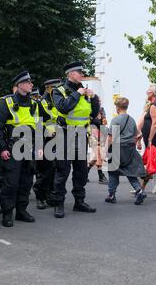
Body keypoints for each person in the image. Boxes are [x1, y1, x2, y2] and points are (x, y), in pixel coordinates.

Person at [51, 61, 100, 219]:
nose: (82, 75)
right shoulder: (58, 91)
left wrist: (93, 98)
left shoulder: (84, 91)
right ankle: (58, 203)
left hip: (80, 135)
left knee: (81, 171)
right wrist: (78, 93)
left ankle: (79, 201)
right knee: (62, 171)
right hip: (65, 135)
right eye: (79, 72)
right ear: (71, 74)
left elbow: (93, 113)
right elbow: (63, 108)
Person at [0, 71, 38, 227]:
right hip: (13, 147)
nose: (32, 85)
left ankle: (21, 211)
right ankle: (7, 213)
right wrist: (2, 148)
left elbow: (37, 126)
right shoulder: (6, 102)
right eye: (29, 82)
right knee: (10, 183)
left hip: (29, 147)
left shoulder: (34, 103)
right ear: (20, 85)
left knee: (26, 182)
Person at [105, 97, 145, 204]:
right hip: (130, 149)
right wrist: (137, 142)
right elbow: (138, 134)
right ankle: (139, 190)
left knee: (113, 172)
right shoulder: (131, 119)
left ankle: (111, 195)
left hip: (117, 148)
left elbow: (111, 137)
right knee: (130, 172)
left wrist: (106, 151)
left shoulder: (116, 120)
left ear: (117, 107)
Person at [33, 79, 61, 210]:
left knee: (55, 169)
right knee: (45, 170)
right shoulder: (40, 103)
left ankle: (50, 195)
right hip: (45, 140)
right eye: (55, 87)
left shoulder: (57, 101)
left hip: (57, 140)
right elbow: (38, 124)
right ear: (49, 88)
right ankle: (40, 197)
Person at [88, 103, 108, 184]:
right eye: (97, 101)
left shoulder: (102, 110)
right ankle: (101, 176)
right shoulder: (90, 111)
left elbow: (104, 123)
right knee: (98, 154)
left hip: (101, 134)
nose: (98, 103)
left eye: (99, 102)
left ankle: (85, 172)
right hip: (93, 134)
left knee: (97, 156)